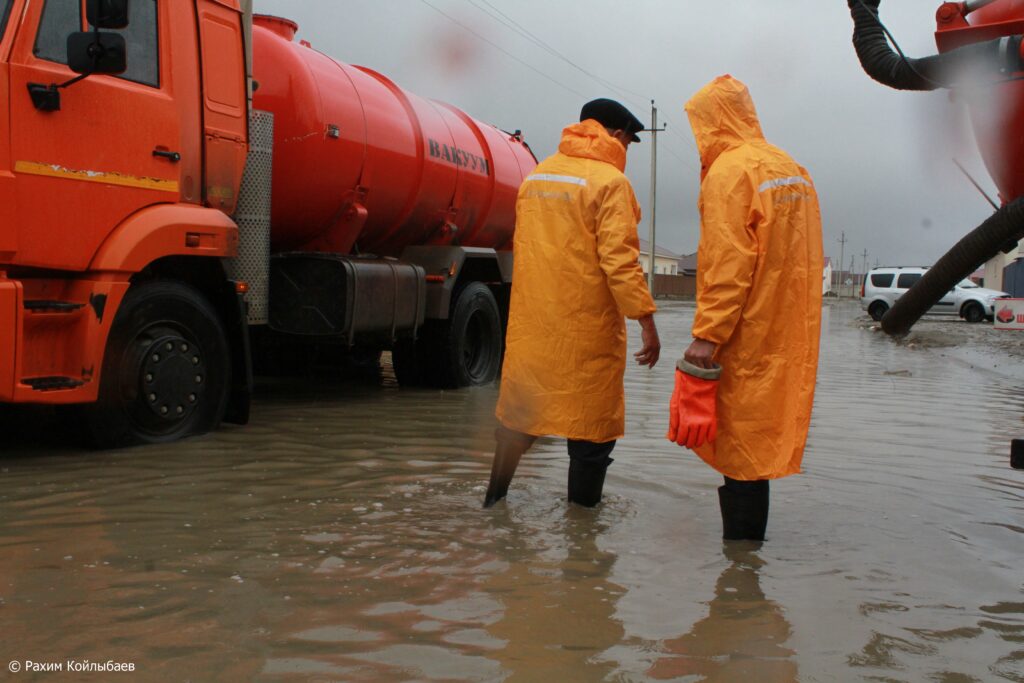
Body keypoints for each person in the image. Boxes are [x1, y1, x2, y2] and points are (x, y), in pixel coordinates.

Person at [484, 98, 661, 509]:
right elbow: (619, 262)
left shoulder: (536, 177)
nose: (627, 152)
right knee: (590, 434)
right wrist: (646, 321)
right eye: (629, 143)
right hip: (586, 334)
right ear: (616, 135)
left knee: (519, 422)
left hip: (533, 330)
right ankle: (583, 548)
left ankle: (493, 503)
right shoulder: (611, 184)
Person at [668, 75, 823, 540]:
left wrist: (706, 335)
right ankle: (746, 575)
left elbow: (726, 262)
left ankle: (739, 570)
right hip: (789, 327)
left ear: (711, 122)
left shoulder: (730, 172)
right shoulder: (791, 166)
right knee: (757, 441)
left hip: (744, 329)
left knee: (736, 443)